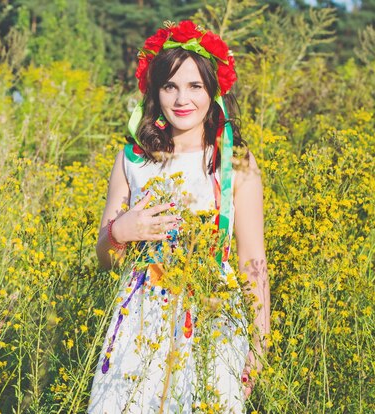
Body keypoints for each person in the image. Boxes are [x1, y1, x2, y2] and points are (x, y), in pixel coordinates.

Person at [89, 20, 270, 413]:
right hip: (140, 322)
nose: (181, 99)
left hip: (214, 317)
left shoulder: (235, 163)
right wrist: (120, 231)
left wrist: (259, 345)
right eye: (169, 86)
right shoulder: (132, 159)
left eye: (194, 87)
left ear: (213, 92)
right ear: (155, 91)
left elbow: (252, 260)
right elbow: (105, 258)